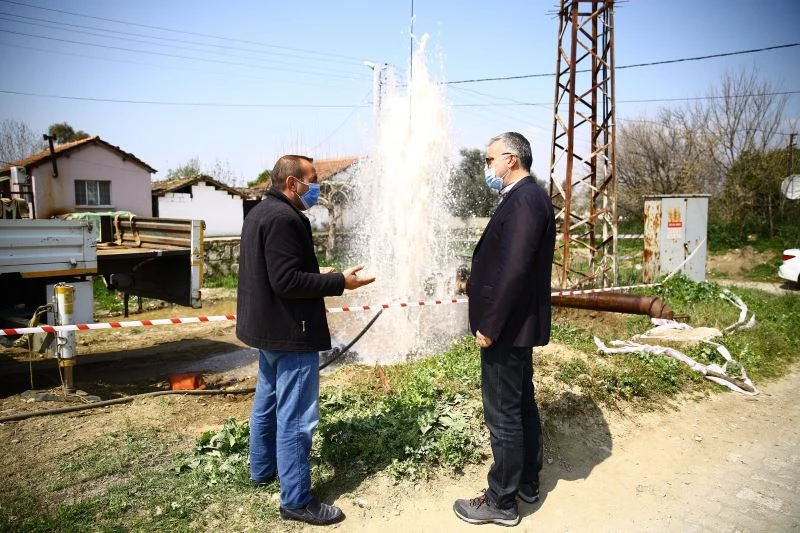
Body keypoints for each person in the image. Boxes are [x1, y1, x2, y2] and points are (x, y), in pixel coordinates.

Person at [236, 154, 375, 526]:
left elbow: (277, 271)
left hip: (268, 329)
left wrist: (318, 272)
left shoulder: (260, 212)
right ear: (291, 183)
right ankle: (296, 500)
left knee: (266, 404)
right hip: (291, 332)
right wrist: (340, 282)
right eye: (312, 180)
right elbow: (286, 281)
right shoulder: (285, 218)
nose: (316, 188)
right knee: (297, 418)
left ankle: (262, 470)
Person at [453, 132, 555, 527]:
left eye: (489, 159)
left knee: (503, 415)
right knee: (520, 404)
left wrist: (490, 324)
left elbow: (515, 269)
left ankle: (501, 500)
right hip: (516, 324)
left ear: (511, 159)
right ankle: (527, 481)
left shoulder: (525, 199)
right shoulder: (525, 197)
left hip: (507, 327)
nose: (487, 166)